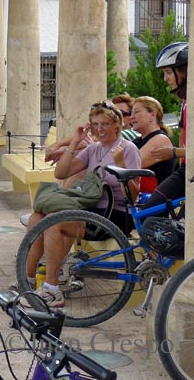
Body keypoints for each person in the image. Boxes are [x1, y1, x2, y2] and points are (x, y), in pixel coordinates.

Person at [22, 100, 141, 307]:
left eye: (104, 124)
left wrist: (121, 165)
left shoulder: (128, 149)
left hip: (115, 214)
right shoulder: (94, 149)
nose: (99, 129)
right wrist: (74, 143)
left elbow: (132, 196)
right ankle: (27, 281)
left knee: (53, 222)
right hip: (88, 209)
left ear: (116, 125)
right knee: (36, 218)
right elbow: (61, 173)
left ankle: (52, 289)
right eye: (95, 124)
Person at [139, 42, 188, 210]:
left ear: (184, 71)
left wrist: (173, 152)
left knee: (150, 214)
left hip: (193, 171)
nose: (165, 79)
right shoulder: (185, 103)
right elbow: (184, 143)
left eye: (168, 72)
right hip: (185, 170)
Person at [129, 96, 176, 194]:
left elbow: (132, 165)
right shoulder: (136, 141)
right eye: (131, 113)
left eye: (136, 112)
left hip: (155, 202)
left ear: (152, 115)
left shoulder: (160, 139)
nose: (131, 117)